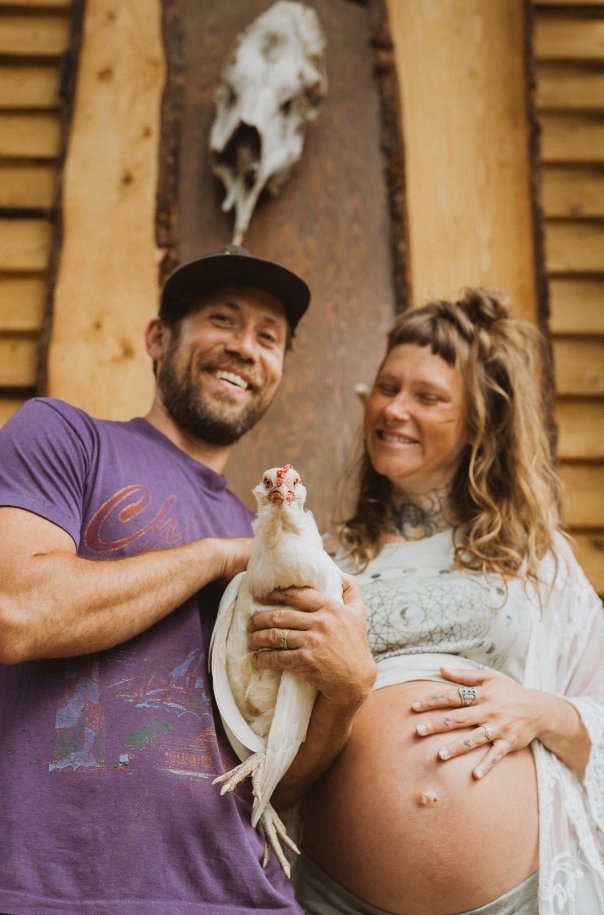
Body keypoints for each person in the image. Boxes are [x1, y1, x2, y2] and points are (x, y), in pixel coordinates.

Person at [0, 245, 376, 915]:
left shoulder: (273, 545)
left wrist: (347, 692)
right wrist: (215, 556)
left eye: (269, 337)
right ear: (158, 338)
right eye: (222, 320)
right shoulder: (65, 438)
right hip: (59, 890)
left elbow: (274, 782)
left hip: (239, 895)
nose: (244, 347)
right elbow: (18, 611)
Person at [247, 288, 604, 914]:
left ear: (477, 424)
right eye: (387, 387)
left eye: (428, 396)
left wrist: (544, 712)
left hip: (518, 894)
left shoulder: (535, 562)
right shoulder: (326, 561)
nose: (394, 409)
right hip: (335, 893)